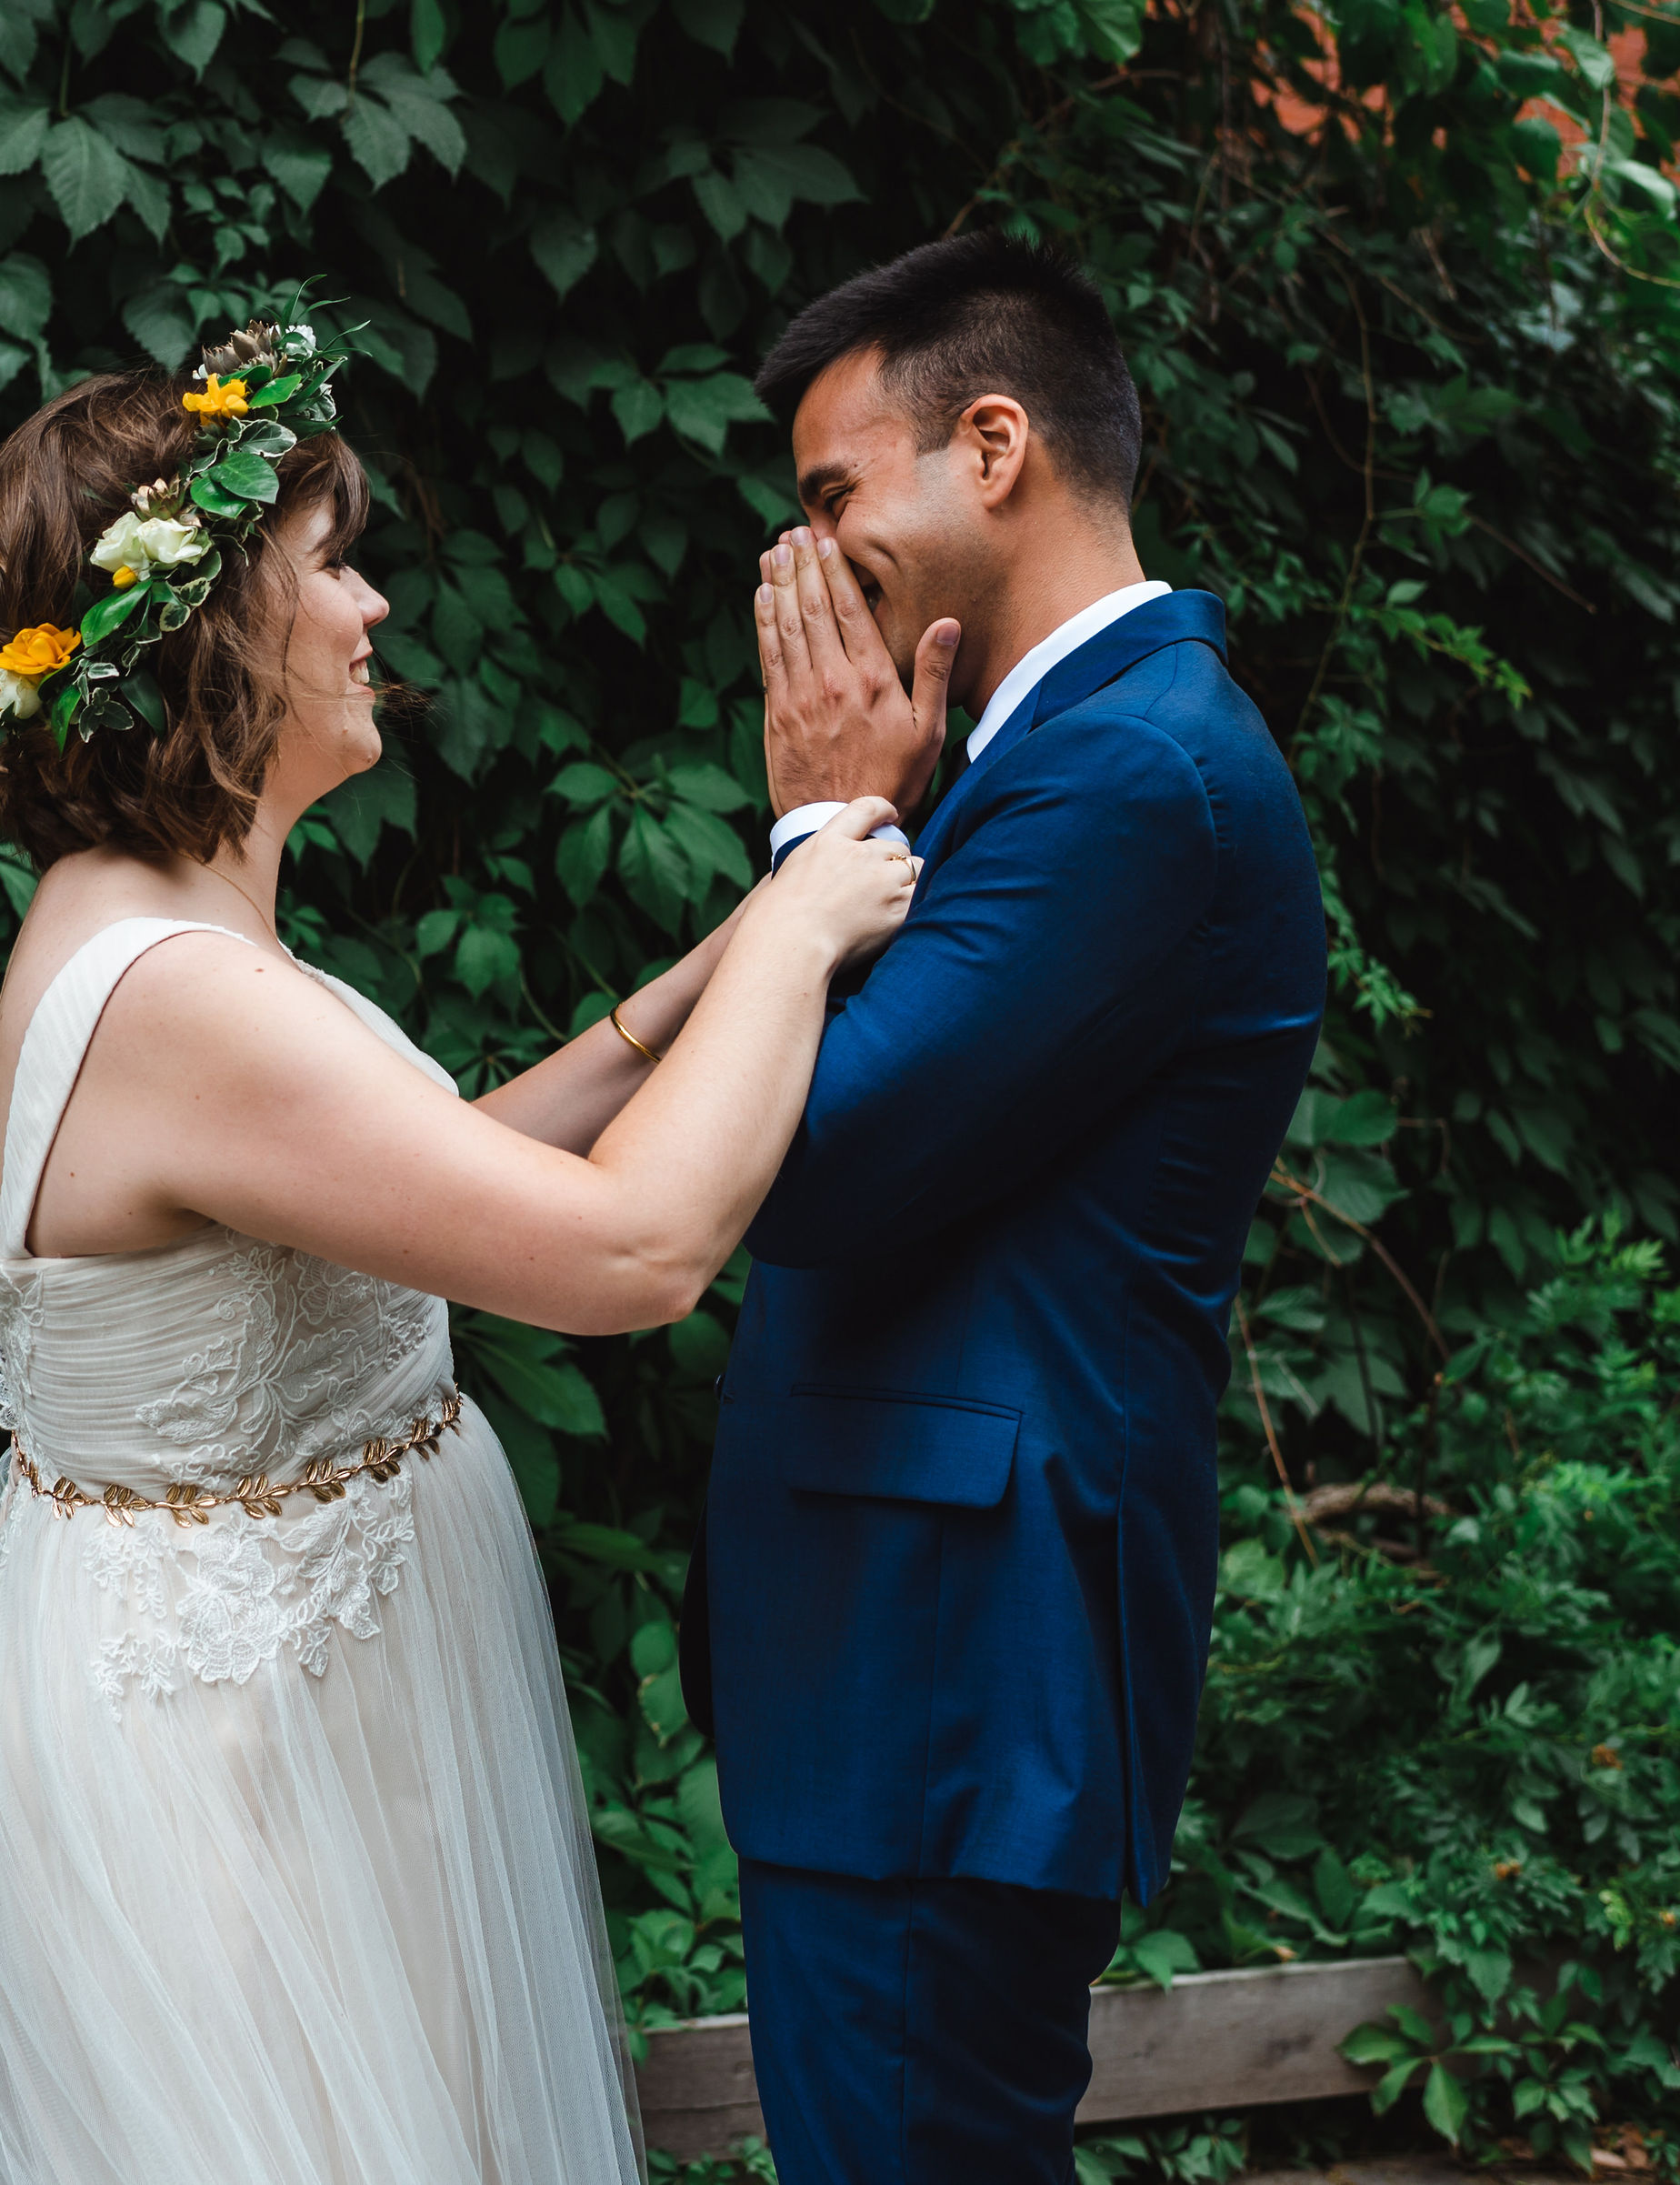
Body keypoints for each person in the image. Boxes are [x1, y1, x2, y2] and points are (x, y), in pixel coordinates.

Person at [0, 318, 914, 2185]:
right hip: (213, 1760)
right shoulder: (180, 989)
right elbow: (627, 1252)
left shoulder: (167, 929)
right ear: (213, 629)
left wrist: (710, 965)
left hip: (302, 1715)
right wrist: (793, 928)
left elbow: (429, 1188)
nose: (373, 607)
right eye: (332, 567)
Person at [685, 234, 1327, 2184]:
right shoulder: (1049, 754)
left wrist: (820, 836)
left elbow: (817, 1163)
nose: (809, 555)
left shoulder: (1134, 768)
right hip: (909, 1666)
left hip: (946, 1676)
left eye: (830, 494)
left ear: (990, 444)